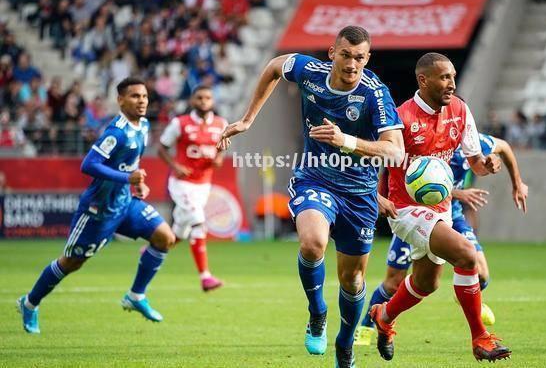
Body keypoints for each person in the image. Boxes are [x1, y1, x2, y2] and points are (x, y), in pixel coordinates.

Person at [218, 26, 404, 368]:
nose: (352, 64)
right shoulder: (311, 72)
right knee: (312, 243)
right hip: (314, 178)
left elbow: (395, 152)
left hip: (360, 194)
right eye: (345, 55)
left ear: (368, 58)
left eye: (359, 58)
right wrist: (247, 120)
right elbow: (275, 66)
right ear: (332, 53)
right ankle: (317, 311)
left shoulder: (375, 94)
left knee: (353, 279)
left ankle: (345, 343)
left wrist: (346, 141)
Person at [366, 53, 516, 362]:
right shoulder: (400, 118)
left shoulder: (460, 109)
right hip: (405, 210)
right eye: (444, 77)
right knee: (466, 254)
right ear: (423, 80)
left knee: (426, 283)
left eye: (453, 77)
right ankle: (480, 339)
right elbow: (372, 160)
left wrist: (488, 163)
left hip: (441, 208)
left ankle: (384, 316)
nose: (452, 84)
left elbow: (476, 160)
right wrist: (375, 197)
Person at [17, 77, 176, 334]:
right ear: (120, 100)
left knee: (165, 238)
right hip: (98, 210)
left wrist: (136, 183)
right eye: (135, 96)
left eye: (144, 96)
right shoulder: (116, 132)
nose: (142, 101)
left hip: (125, 202)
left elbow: (128, 163)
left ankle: (136, 296)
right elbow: (88, 165)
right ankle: (30, 302)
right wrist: (127, 178)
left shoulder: (143, 125)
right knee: (71, 262)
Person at [355, 133, 528, 345]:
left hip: (451, 215)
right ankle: (365, 328)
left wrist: (517, 182)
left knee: (481, 274)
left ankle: (464, 295)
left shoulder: (473, 143)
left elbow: (504, 147)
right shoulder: (425, 141)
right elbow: (398, 174)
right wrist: (457, 193)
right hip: (415, 215)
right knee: (393, 283)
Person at [158, 86, 226, 292]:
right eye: (200, 98)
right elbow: (162, 147)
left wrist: (219, 159)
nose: (204, 101)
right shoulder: (180, 123)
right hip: (182, 184)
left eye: (207, 97)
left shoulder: (221, 124)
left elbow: (222, 147)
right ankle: (205, 277)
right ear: (192, 100)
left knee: (180, 230)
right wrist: (175, 166)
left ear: (212, 101)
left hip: (203, 184)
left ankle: (153, 250)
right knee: (198, 223)